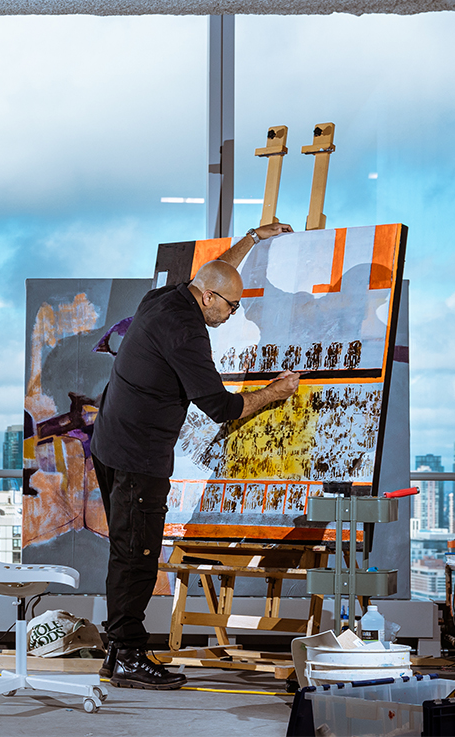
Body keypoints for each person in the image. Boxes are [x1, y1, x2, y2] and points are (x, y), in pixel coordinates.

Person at [90, 222, 300, 690]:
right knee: (137, 556)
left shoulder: (162, 298)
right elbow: (221, 407)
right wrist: (275, 391)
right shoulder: (185, 331)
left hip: (109, 444)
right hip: (137, 457)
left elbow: (215, 273)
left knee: (127, 550)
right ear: (207, 299)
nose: (234, 313)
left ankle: (116, 655)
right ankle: (126, 655)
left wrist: (251, 239)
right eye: (231, 305)